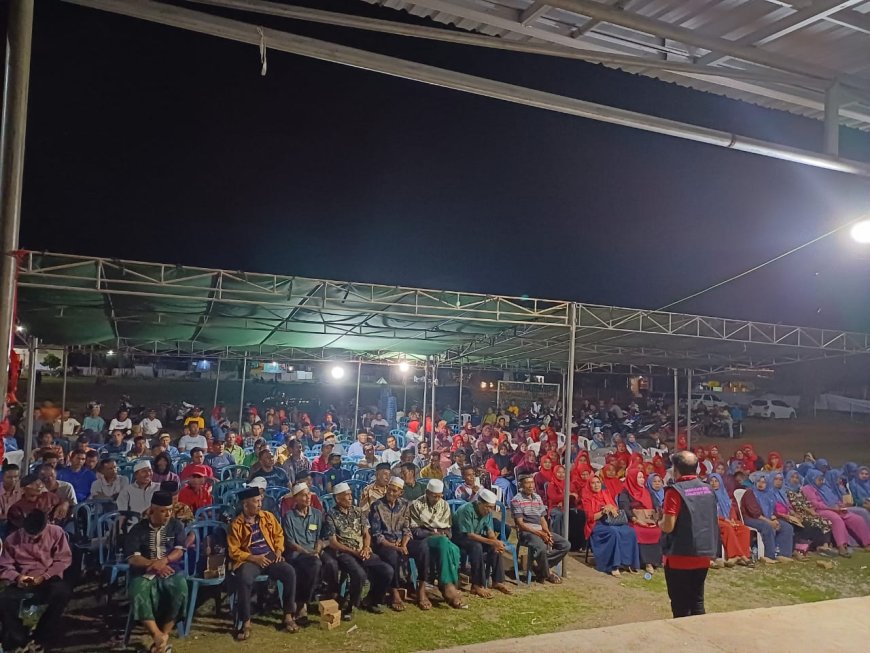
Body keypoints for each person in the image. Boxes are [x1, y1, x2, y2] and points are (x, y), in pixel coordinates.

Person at [228, 487, 300, 639]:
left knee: (289, 572)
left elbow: (279, 535)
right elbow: (233, 551)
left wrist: (279, 552)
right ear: (245, 505)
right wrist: (254, 558)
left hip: (270, 556)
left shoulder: (267, 517)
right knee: (244, 579)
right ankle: (246, 621)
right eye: (256, 502)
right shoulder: (237, 524)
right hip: (250, 559)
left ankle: (288, 615)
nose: (260, 504)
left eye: (260, 501)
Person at [124, 491, 188, 653]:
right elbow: (132, 558)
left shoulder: (176, 525)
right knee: (138, 590)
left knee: (180, 588)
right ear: (152, 510)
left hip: (170, 569)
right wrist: (153, 564)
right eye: (163, 511)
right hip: (144, 571)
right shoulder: (138, 529)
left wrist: (164, 561)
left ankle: (163, 635)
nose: (168, 514)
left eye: (170, 510)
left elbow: (180, 550)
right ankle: (156, 634)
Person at [0, 510, 72, 652]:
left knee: (62, 593)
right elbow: (5, 565)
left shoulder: (56, 533)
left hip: (47, 577)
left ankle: (42, 636)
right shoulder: (12, 539)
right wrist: (17, 577)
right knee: (4, 600)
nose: (33, 537)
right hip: (22, 578)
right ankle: (20, 639)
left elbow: (63, 560)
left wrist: (44, 576)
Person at [659, 451, 718, 618]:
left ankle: (684, 640)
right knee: (697, 601)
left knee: (680, 604)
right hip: (704, 553)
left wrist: (659, 523)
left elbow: (668, 526)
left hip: (680, 555)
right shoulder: (708, 489)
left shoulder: (675, 491)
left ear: (676, 470)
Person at [323, 482, 393, 621]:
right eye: (346, 495)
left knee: (387, 570)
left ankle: (372, 599)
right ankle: (350, 607)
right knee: (359, 574)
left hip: (362, 550)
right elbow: (333, 543)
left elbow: (366, 533)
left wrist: (366, 548)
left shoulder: (358, 511)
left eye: (350, 494)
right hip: (344, 553)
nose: (350, 497)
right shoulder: (331, 515)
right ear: (338, 499)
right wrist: (354, 552)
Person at [407, 478, 464, 610]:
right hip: (424, 539)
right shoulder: (417, 505)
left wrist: (442, 535)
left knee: (453, 548)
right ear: (427, 492)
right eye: (434, 496)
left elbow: (448, 530)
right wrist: (434, 534)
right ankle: (448, 585)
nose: (437, 499)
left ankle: (447, 584)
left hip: (442, 538)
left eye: (440, 496)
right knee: (444, 542)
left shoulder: (444, 505)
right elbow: (415, 531)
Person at [451, 488, 513, 598]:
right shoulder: (467, 509)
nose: (489, 510)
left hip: (475, 537)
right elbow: (469, 534)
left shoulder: (487, 512)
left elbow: (489, 530)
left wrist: (495, 542)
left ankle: (497, 581)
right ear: (479, 503)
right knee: (477, 547)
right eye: (487, 507)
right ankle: (476, 585)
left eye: (491, 507)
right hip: (459, 537)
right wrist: (492, 542)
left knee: (494, 546)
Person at [510, 475, 569, 584]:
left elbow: (542, 519)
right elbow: (520, 524)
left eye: (532, 482)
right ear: (521, 485)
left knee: (565, 545)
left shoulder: (537, 497)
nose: (531, 485)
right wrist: (540, 534)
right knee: (541, 547)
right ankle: (547, 573)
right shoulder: (516, 500)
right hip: (527, 532)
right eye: (527, 483)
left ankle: (539, 567)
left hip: (540, 530)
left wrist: (546, 532)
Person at [281, 483, 324, 625]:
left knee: (327, 563)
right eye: (304, 495)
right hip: (297, 553)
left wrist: (317, 550)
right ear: (296, 498)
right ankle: (301, 604)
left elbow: (320, 537)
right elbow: (290, 542)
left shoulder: (317, 514)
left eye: (309, 494)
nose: (308, 498)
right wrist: (308, 552)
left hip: (313, 552)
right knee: (314, 564)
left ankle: (326, 599)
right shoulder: (289, 517)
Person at [801, 469, 870, 555]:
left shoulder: (825, 487)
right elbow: (815, 504)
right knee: (836, 519)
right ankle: (841, 546)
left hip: (835, 509)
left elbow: (835, 499)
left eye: (822, 479)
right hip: (820, 510)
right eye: (819, 479)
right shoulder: (807, 489)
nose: (821, 481)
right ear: (812, 478)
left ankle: (867, 543)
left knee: (857, 519)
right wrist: (831, 508)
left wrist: (840, 505)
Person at [582, 474, 639, 577]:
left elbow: (615, 509)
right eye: (593, 483)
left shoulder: (605, 493)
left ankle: (627, 562)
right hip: (597, 525)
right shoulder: (587, 498)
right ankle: (612, 565)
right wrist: (604, 511)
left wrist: (612, 508)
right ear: (589, 485)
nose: (596, 485)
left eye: (598, 482)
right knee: (614, 533)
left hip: (611, 521)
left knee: (630, 531)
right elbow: (591, 518)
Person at [368, 476, 412, 611]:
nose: (391, 493)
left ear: (401, 493)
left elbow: (407, 528)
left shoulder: (405, 505)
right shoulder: (377, 506)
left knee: (423, 548)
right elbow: (377, 535)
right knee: (393, 555)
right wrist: (395, 547)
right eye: (389, 490)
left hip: (400, 541)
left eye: (395, 491)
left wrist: (404, 545)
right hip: (384, 544)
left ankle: (419, 586)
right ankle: (394, 591)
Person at [739, 473, 796, 563]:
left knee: (787, 527)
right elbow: (755, 513)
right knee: (767, 526)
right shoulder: (750, 493)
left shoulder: (768, 494)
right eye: (759, 481)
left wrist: (774, 519)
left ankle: (782, 554)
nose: (761, 484)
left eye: (764, 482)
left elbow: (772, 511)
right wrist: (770, 522)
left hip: (767, 519)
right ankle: (769, 555)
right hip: (751, 519)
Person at [617, 466, 662, 573]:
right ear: (632, 479)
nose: (642, 480)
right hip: (633, 519)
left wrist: (658, 515)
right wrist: (635, 519)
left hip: (649, 519)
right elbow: (624, 508)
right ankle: (646, 562)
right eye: (639, 477)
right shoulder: (625, 492)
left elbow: (656, 504)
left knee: (658, 530)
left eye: (643, 477)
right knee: (640, 531)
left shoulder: (647, 491)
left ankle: (655, 561)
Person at [707, 473, 751, 566]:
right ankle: (735, 556)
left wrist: (732, 519)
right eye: (711, 481)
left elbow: (730, 509)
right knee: (727, 528)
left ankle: (742, 556)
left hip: (727, 519)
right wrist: (724, 519)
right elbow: (709, 512)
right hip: (714, 520)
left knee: (744, 529)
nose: (714, 483)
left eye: (716, 481)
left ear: (720, 483)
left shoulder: (724, 494)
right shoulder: (707, 495)